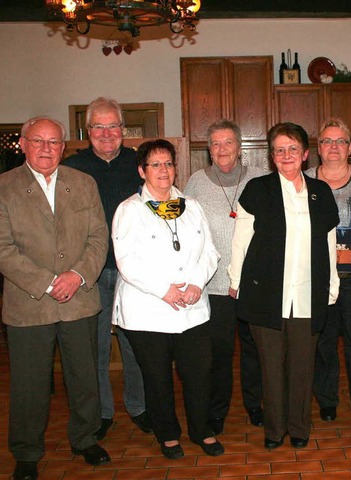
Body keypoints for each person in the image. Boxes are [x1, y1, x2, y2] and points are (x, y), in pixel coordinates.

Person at [0, 116, 110, 480]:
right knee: (29, 384)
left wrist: (77, 276)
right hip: (28, 304)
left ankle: (85, 438)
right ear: (24, 144)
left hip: (79, 298)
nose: (47, 149)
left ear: (64, 147)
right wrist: (48, 282)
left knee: (84, 377)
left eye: (54, 142)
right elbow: (3, 249)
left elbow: (98, 238)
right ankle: (27, 452)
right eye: (39, 141)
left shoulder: (83, 183)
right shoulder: (5, 187)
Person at [228, 122, 339, 450]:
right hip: (266, 294)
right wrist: (236, 281)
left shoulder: (321, 193)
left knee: (303, 367)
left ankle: (300, 428)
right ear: (271, 156)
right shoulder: (257, 190)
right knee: (271, 367)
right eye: (279, 150)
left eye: (293, 149)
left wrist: (332, 284)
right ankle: (275, 431)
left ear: (305, 154)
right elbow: (241, 240)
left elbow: (329, 241)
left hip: (309, 293)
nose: (286, 155)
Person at [112, 139, 223, 458]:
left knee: (198, 375)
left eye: (168, 164)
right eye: (155, 164)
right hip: (148, 311)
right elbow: (126, 260)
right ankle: (168, 435)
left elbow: (210, 252)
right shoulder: (129, 209)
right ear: (141, 170)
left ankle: (202, 431)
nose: (163, 170)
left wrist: (196, 284)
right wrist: (165, 290)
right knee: (157, 378)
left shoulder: (192, 206)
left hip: (193, 308)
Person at [63, 97, 149, 440]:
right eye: (98, 126)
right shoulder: (72, 167)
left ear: (123, 129)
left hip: (135, 272)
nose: (106, 133)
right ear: (87, 130)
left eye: (113, 125)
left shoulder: (140, 163)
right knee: (93, 348)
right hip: (90, 273)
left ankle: (140, 407)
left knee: (136, 344)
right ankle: (100, 413)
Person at [184, 119, 265, 435]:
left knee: (254, 350)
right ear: (209, 149)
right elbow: (189, 233)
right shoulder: (196, 183)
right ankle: (217, 410)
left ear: (239, 146)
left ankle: (255, 405)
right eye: (215, 144)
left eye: (228, 142)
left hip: (253, 284)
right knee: (218, 354)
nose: (222, 149)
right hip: (214, 285)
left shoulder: (259, 179)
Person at [306, 118, 351, 422]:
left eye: (339, 141)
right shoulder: (303, 179)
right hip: (318, 276)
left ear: (349, 147)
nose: (333, 147)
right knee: (323, 342)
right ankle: (327, 399)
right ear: (318, 148)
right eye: (326, 141)